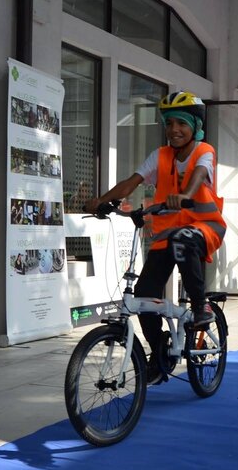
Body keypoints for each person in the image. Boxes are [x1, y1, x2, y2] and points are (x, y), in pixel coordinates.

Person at [85, 91, 225, 381]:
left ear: (196, 127)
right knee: (144, 295)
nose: (174, 129)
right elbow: (130, 183)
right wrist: (101, 201)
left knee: (183, 241)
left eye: (182, 124)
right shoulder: (159, 156)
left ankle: (201, 306)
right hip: (168, 234)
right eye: (169, 123)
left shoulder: (204, 151)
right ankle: (159, 349)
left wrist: (185, 195)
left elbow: (199, 173)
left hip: (205, 226)